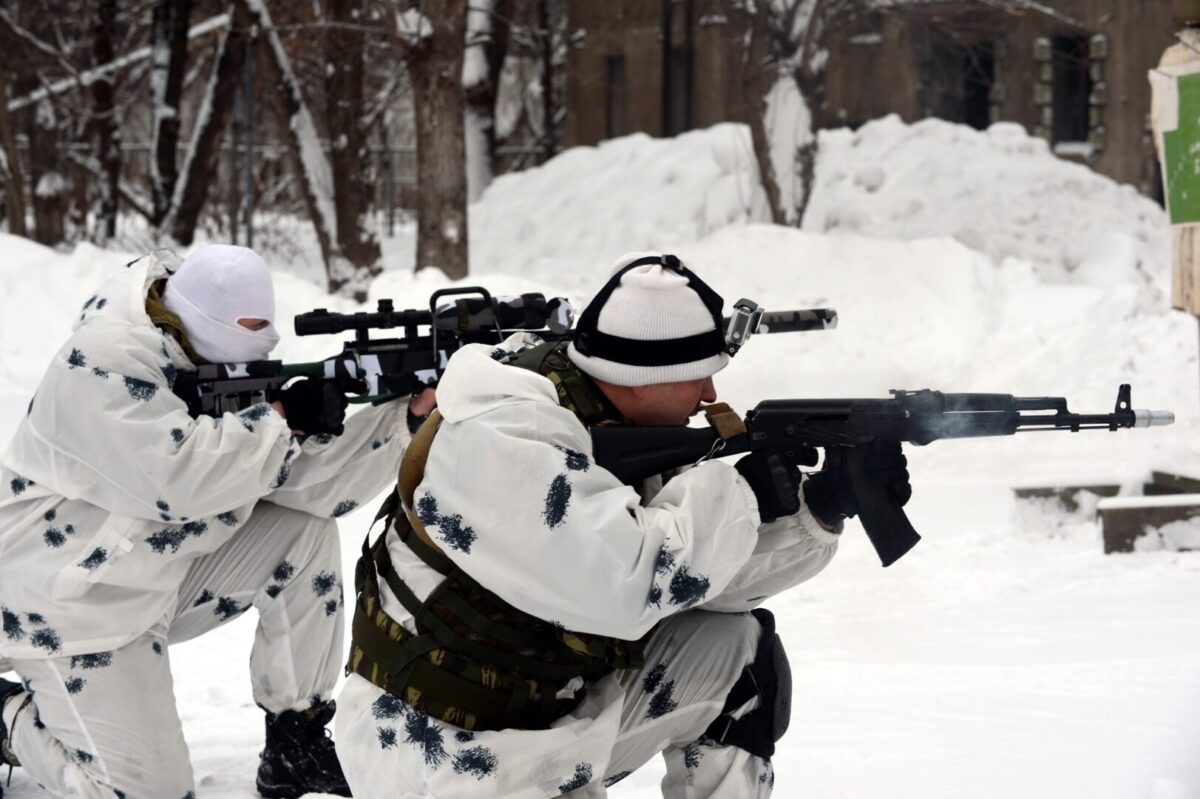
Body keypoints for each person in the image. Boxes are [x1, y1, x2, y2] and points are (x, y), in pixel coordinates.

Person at [333, 252, 910, 798]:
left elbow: (705, 584)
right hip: (438, 758)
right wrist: (744, 493)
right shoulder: (507, 434)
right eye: (698, 376)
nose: (712, 393)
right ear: (643, 375)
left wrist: (823, 505)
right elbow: (629, 586)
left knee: (738, 651)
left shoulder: (608, 411)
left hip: (539, 725)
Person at [0, 245, 418, 798]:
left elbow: (307, 487)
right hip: (62, 604)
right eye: (242, 337)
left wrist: (404, 419)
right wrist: (282, 422)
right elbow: (178, 474)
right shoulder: (101, 360)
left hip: (147, 579)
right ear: (201, 324)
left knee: (302, 535)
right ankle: (10, 719)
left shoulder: (199, 359)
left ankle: (296, 742)